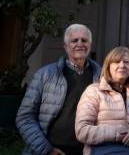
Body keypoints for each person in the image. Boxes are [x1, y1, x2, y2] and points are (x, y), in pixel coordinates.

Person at [16, 24, 101, 155]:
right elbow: (25, 117)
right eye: (74, 40)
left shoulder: (101, 77)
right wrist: (47, 150)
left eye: (84, 40)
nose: (80, 44)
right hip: (51, 149)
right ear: (65, 47)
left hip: (86, 150)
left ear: (90, 45)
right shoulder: (45, 75)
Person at [75, 46, 129, 155]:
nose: (122, 65)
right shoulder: (94, 91)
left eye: (126, 62)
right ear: (108, 66)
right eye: (116, 62)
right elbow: (82, 131)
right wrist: (117, 133)